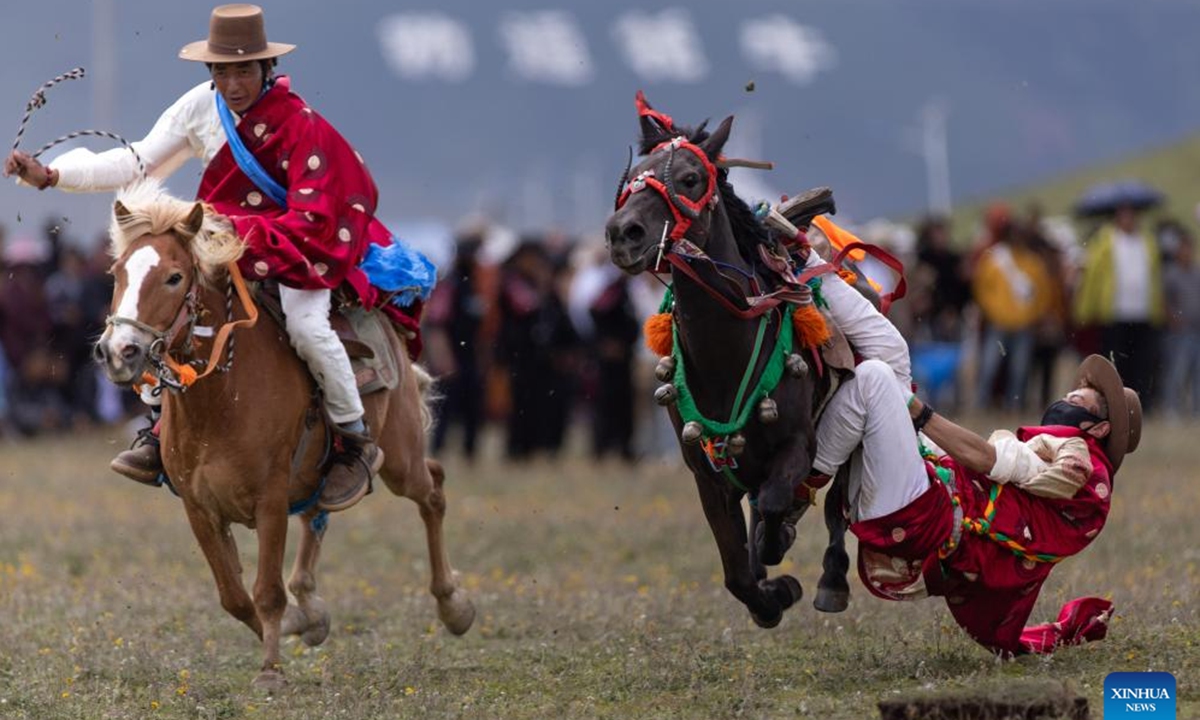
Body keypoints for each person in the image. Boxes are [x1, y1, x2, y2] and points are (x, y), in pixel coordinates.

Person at [3, 4, 413, 512]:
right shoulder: (201, 106)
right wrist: (50, 175)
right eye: (223, 70)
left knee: (308, 327)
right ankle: (157, 430)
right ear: (210, 72)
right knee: (166, 315)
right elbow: (137, 160)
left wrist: (242, 232)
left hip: (299, 251)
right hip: (223, 248)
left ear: (267, 70)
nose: (233, 82)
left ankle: (353, 440)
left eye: (244, 70)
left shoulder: (301, 125)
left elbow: (316, 216)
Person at [798, 248, 1141, 656]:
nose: (1067, 393)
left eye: (1079, 394)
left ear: (1099, 428)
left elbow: (984, 461)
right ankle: (804, 257)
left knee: (875, 376)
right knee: (891, 350)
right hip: (921, 496)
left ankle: (800, 489)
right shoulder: (1058, 459)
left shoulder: (1078, 462)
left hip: (922, 522)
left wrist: (917, 411)